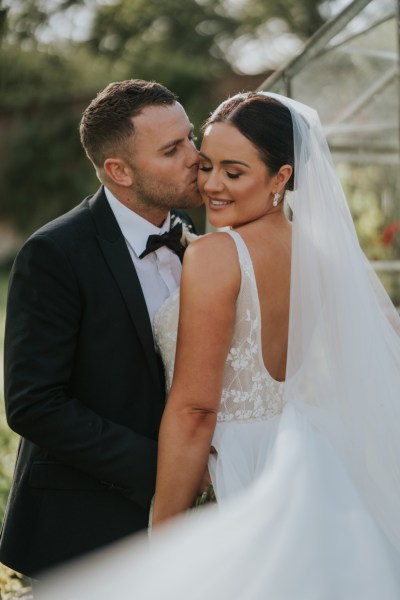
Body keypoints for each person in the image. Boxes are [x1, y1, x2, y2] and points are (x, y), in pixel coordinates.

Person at [40, 92, 400, 599]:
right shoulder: (318, 254)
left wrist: (162, 537)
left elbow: (194, 408)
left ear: (281, 177)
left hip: (229, 461)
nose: (210, 184)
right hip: (297, 452)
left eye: (234, 172)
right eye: (206, 165)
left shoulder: (215, 254)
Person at [0, 78, 202, 583]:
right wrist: (166, 468)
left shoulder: (206, 242)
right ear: (119, 170)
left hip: (197, 531)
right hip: (90, 530)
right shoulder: (55, 254)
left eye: (190, 138)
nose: (196, 157)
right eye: (173, 149)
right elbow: (33, 402)